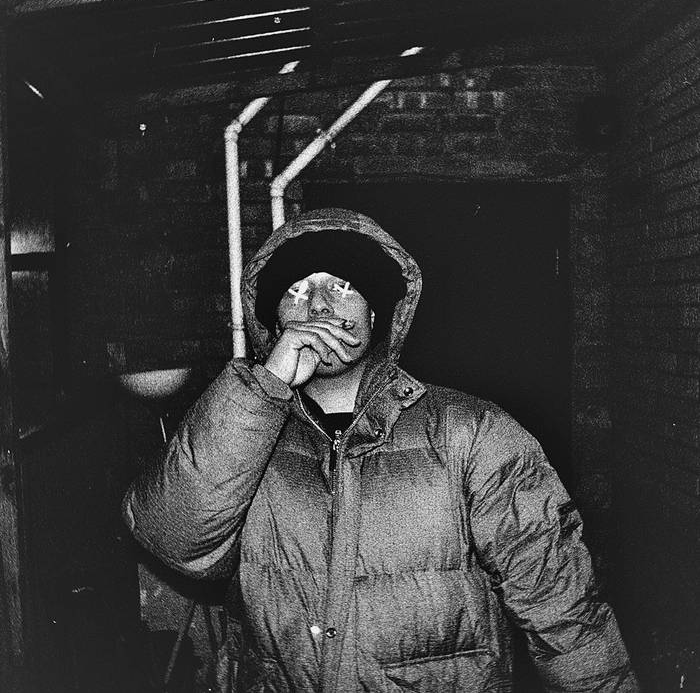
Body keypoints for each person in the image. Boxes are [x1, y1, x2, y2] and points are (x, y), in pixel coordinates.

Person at [123, 208, 638, 692]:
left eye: (342, 286)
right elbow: (172, 538)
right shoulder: (245, 437)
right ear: (276, 324)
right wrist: (266, 386)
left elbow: (564, 610)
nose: (319, 306)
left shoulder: (471, 432)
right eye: (297, 291)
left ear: (374, 313)